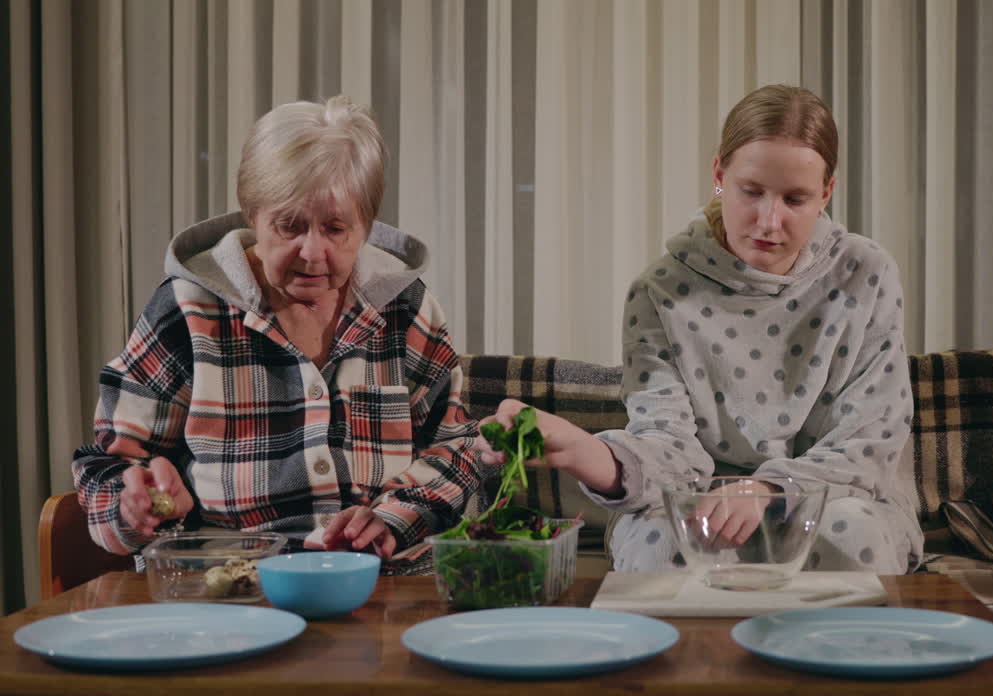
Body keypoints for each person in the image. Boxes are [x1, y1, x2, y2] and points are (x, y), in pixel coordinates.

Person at [480, 84, 924, 574]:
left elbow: (872, 438)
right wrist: (588, 451)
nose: (769, 221)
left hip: (833, 500)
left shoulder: (867, 272)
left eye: (795, 199)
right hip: (698, 504)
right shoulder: (659, 291)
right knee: (654, 545)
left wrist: (767, 489)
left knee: (856, 532)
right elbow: (670, 447)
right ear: (719, 175)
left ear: (827, 192)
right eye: (750, 192)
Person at [72, 95, 486, 573]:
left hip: (384, 579)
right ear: (252, 214)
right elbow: (106, 466)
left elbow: (456, 446)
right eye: (289, 226)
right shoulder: (188, 309)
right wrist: (132, 503)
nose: (313, 252)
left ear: (366, 225)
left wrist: (394, 518)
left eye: (336, 228)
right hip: (231, 584)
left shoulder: (406, 308)